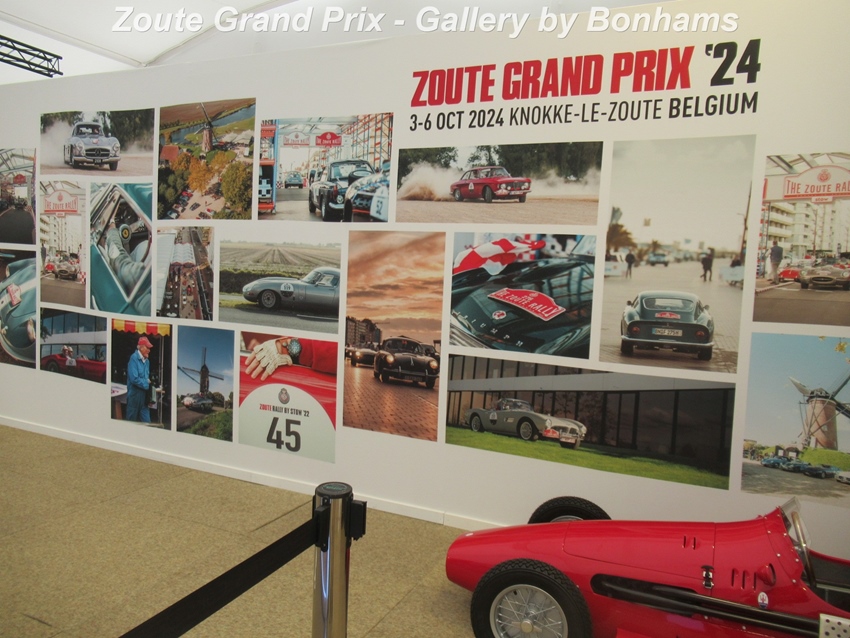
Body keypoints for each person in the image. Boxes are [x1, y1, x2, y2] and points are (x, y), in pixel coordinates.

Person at [126, 336, 152, 422]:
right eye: (147, 348)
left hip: (144, 399)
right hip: (134, 398)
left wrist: (149, 397)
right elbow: (134, 379)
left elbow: (146, 378)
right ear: (141, 347)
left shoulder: (147, 361)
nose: (149, 350)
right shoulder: (133, 358)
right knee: (131, 423)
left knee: (147, 423)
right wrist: (146, 383)